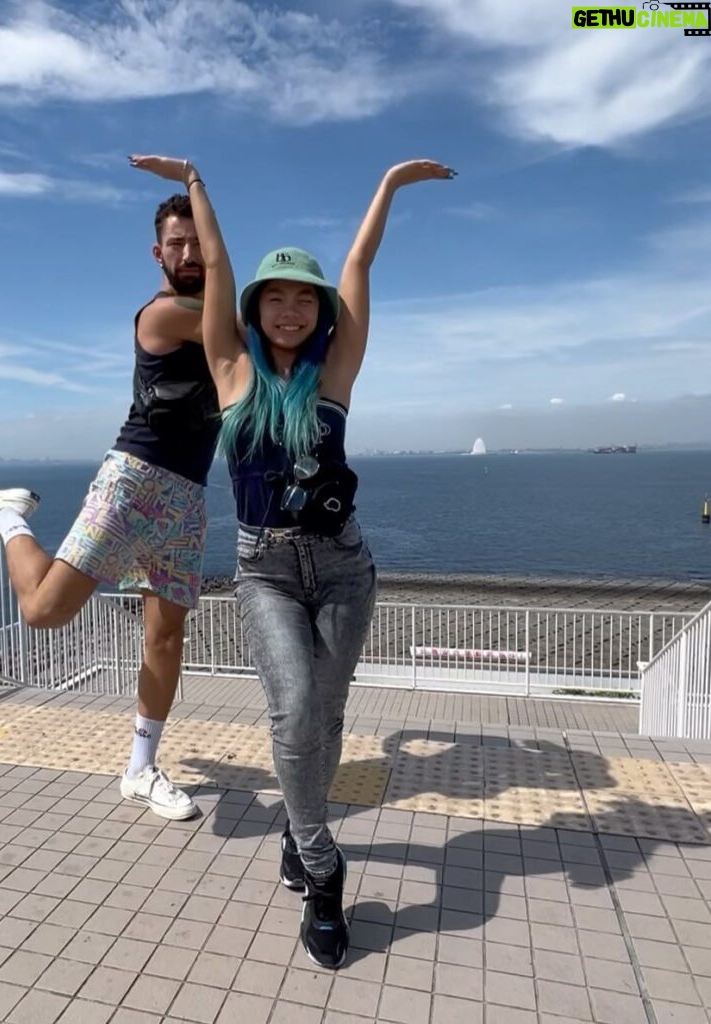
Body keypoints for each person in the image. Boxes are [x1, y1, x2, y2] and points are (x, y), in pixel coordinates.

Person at [130, 153, 456, 968]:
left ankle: (296, 830)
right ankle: (320, 865)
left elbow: (357, 265)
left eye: (301, 299)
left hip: (344, 567)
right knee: (296, 712)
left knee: (328, 718)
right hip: (266, 570)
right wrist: (199, 184)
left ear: (319, 313)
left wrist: (383, 186)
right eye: (272, 298)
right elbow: (223, 261)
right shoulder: (230, 370)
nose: (287, 309)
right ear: (249, 311)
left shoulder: (335, 374)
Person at [0, 194, 220, 821]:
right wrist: (195, 185)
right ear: (158, 253)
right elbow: (235, 331)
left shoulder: (216, 311)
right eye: (176, 244)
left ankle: (140, 768)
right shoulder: (164, 314)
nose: (188, 253)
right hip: (133, 481)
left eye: (196, 242)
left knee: (166, 636)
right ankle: (8, 516)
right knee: (44, 611)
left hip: (187, 497)